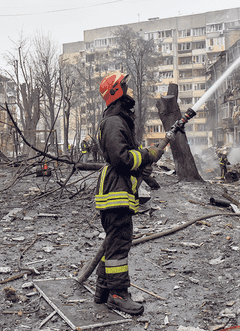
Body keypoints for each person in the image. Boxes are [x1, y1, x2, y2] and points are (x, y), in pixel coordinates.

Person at [94, 72, 163, 315]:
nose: (129, 91)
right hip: (115, 193)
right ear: (116, 92)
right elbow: (120, 158)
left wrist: (145, 164)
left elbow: (126, 157)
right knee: (119, 246)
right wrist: (146, 155)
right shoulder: (114, 121)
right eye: (125, 87)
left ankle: (103, 290)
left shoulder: (118, 120)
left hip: (117, 192)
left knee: (113, 243)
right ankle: (118, 294)